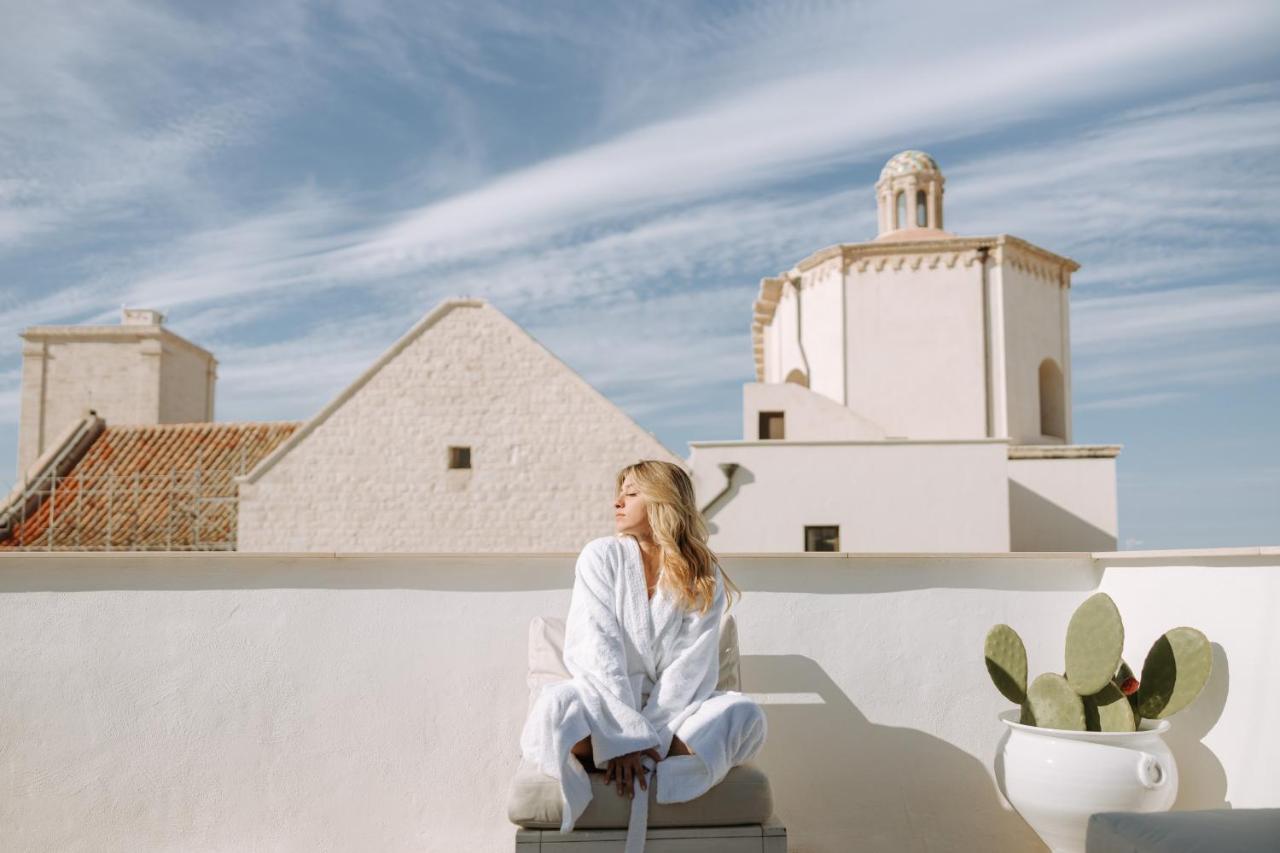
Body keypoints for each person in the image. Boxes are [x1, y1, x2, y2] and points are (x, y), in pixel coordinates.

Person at [519, 460, 767, 852]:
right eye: (620, 492)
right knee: (556, 711)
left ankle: (625, 757)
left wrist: (646, 734)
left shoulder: (700, 572)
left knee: (744, 717)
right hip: (604, 704)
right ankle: (636, 756)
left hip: (672, 713)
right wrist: (623, 735)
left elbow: (690, 668)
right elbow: (596, 649)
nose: (618, 501)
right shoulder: (600, 556)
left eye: (632, 493)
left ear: (661, 502)